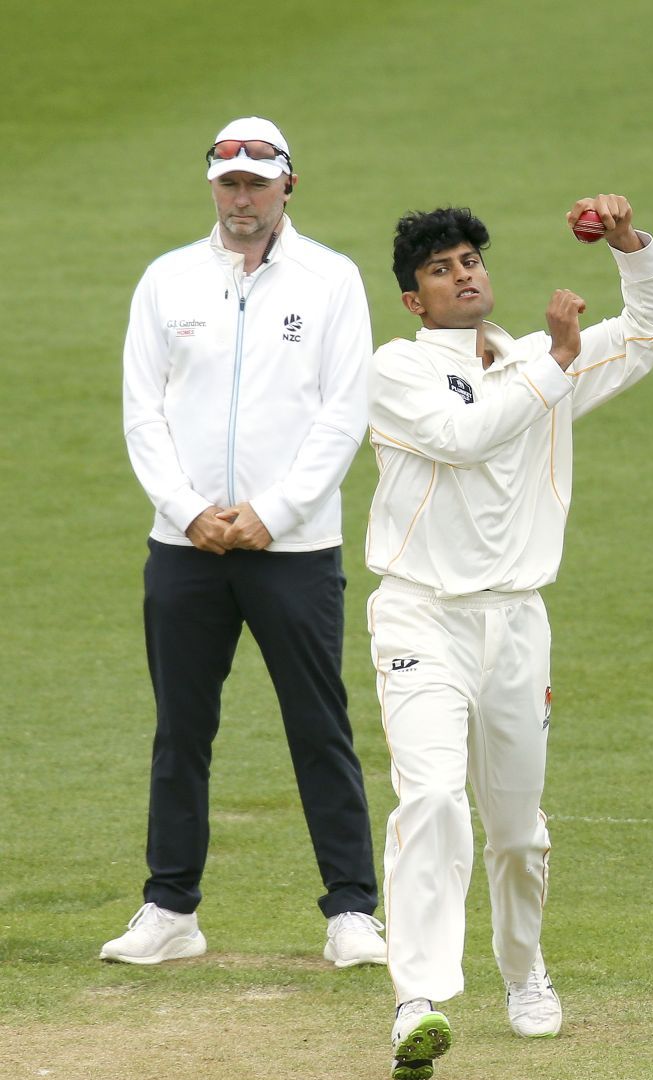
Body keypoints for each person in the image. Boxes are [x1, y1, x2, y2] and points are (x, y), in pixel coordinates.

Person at [365, 196, 653, 1080]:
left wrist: (631, 247)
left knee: (516, 835)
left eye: (470, 259)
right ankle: (418, 1001)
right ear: (415, 301)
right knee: (430, 799)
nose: (463, 274)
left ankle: (523, 971)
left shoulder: (541, 358)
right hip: (421, 614)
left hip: (517, 622)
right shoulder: (396, 368)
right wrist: (559, 368)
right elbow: (463, 440)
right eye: (441, 269)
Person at [101, 116, 386, 970]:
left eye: (258, 183)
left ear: (287, 186)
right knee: (181, 729)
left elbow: (344, 412)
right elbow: (141, 409)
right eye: (229, 182)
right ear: (213, 187)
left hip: (293, 549)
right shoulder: (167, 280)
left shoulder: (332, 280)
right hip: (184, 546)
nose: (242, 198)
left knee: (318, 725)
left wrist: (275, 510)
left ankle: (351, 912)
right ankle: (170, 908)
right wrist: (190, 511)